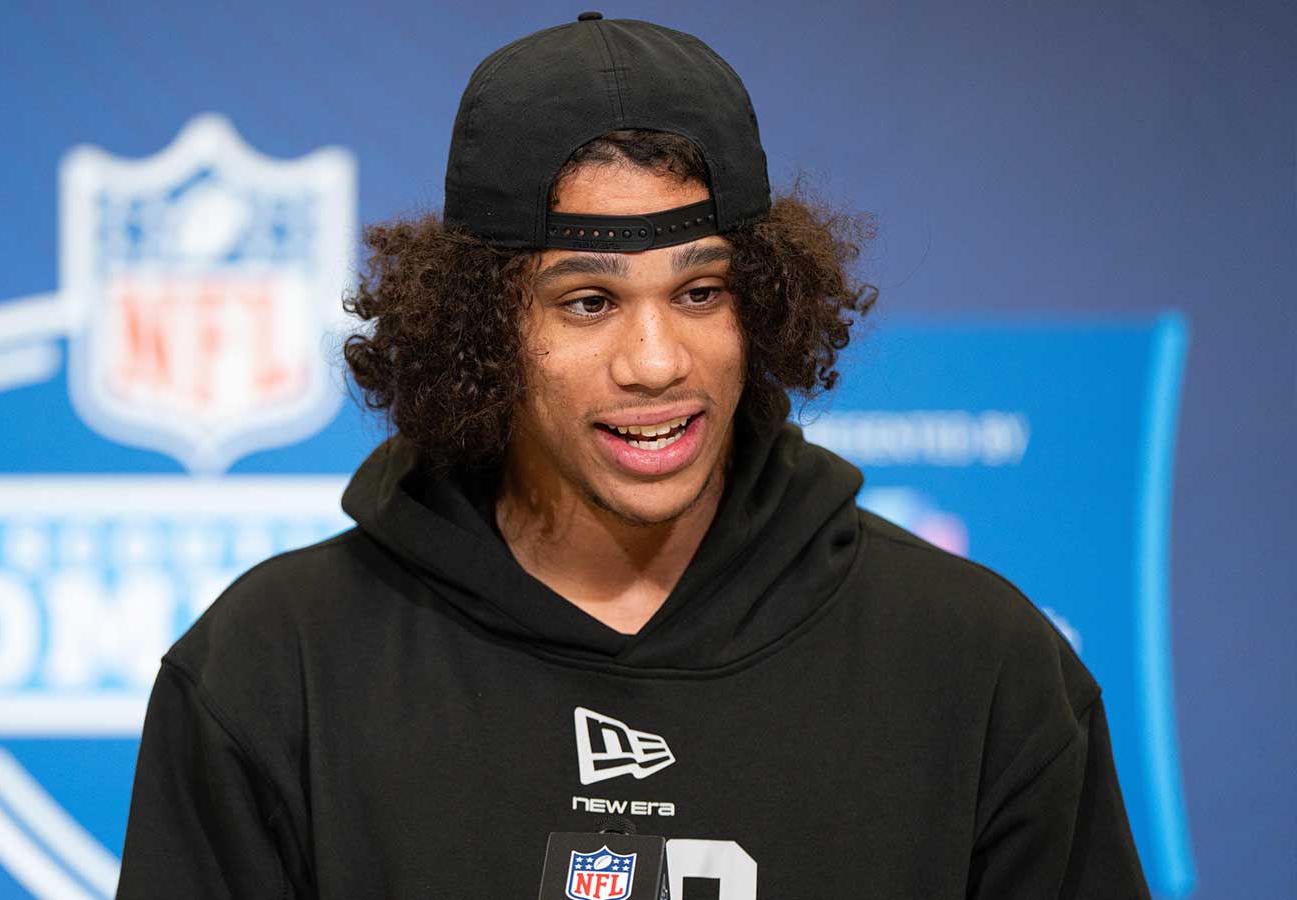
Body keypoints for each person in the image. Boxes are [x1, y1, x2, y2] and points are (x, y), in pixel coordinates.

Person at [116, 13, 1151, 899]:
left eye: (701, 292)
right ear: (479, 333)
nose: (657, 362)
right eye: (587, 302)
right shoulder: (273, 670)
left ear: (768, 308)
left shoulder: (980, 667)